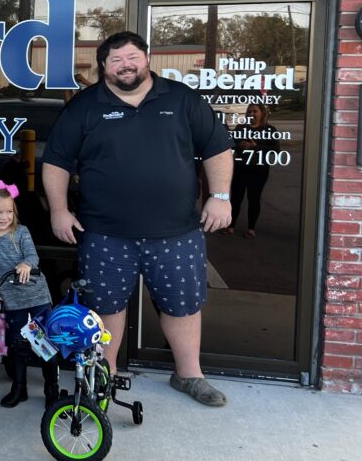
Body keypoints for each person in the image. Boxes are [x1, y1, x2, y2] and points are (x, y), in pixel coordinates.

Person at [41, 31, 233, 407]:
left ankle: (189, 375)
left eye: (132, 57)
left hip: (176, 231)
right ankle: (103, 379)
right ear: (104, 66)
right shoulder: (84, 106)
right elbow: (56, 162)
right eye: (116, 60)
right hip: (105, 233)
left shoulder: (181, 99)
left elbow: (217, 147)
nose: (126, 65)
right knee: (106, 309)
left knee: (182, 305)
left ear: (146, 58)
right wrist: (59, 210)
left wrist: (220, 196)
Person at [0, 180, 57, 408]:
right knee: (17, 344)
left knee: (44, 343)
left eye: (9, 212)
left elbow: (33, 256)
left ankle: (51, 388)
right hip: (11, 298)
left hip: (36, 295)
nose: (5, 217)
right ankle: (19, 388)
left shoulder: (20, 233)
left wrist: (25, 264)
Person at [222, 103, 279, 238]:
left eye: (255, 111)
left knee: (254, 199)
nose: (251, 114)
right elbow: (231, 146)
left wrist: (256, 147)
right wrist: (238, 146)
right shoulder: (241, 127)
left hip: (258, 171)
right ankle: (230, 226)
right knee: (236, 199)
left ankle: (251, 228)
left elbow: (276, 150)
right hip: (240, 169)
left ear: (262, 113)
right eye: (249, 112)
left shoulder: (270, 129)